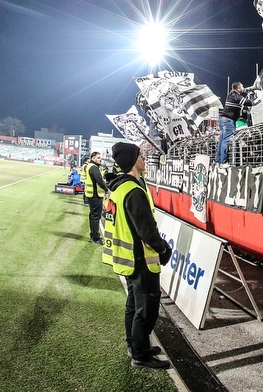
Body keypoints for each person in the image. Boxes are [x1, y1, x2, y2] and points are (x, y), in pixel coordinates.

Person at [102, 142, 173, 371]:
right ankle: (140, 355)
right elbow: (146, 231)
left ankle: (135, 345)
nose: (144, 158)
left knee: (133, 305)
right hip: (140, 259)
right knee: (147, 309)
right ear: (133, 161)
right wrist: (163, 248)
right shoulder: (133, 190)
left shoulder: (120, 187)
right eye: (141, 155)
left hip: (127, 259)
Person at [217, 82, 252, 164]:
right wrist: (252, 96)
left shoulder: (231, 94)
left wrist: (248, 89)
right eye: (242, 87)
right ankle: (223, 162)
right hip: (228, 121)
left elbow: (243, 90)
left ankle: (218, 161)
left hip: (223, 119)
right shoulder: (236, 96)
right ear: (238, 88)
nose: (243, 88)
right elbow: (249, 103)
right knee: (225, 142)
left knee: (221, 141)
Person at [82, 152, 108, 244]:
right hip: (95, 195)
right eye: (98, 157)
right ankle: (96, 238)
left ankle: (93, 235)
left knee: (93, 215)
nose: (100, 159)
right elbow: (99, 181)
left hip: (91, 194)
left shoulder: (90, 166)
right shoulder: (93, 168)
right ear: (93, 158)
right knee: (96, 217)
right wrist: (106, 189)